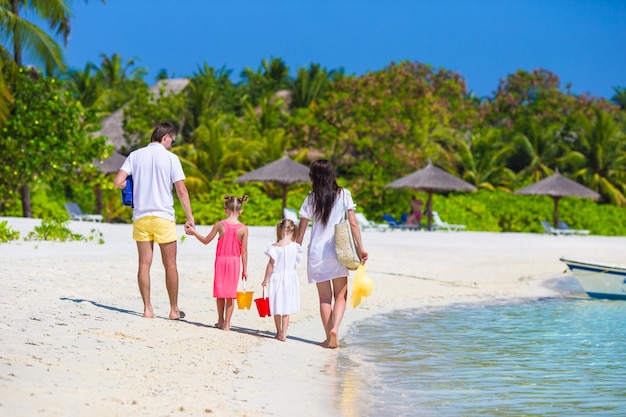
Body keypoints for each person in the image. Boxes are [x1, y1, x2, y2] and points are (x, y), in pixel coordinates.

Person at [113, 122, 194, 320]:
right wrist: (190, 217)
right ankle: (174, 310)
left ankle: (147, 309)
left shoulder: (135, 155)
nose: (172, 145)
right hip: (163, 217)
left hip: (141, 217)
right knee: (170, 265)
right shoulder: (171, 158)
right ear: (165, 137)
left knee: (144, 264)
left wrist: (133, 186)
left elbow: (117, 182)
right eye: (172, 141)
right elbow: (181, 190)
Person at [296, 159, 368, 348]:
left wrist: (294, 249)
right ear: (332, 175)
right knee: (340, 296)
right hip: (338, 251)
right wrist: (360, 248)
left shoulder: (311, 198)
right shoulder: (344, 195)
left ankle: (329, 337)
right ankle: (335, 328)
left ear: (314, 177)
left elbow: (301, 231)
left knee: (324, 298)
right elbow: (353, 224)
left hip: (317, 253)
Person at [185, 195, 248, 331]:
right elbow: (244, 251)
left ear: (225, 210)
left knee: (220, 293)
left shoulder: (220, 225)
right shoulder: (244, 228)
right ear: (240, 211)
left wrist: (194, 232)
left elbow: (206, 240)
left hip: (220, 261)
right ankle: (227, 324)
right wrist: (245, 269)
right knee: (230, 295)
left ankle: (220, 320)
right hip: (234, 263)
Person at [262, 219, 302, 342]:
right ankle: (284, 333)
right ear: (293, 231)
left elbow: (270, 265)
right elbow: (296, 263)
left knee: (276, 305)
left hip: (276, 278)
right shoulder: (295, 247)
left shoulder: (274, 247)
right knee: (286, 306)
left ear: (280, 229)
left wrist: (265, 279)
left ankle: (278, 331)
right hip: (290, 278)